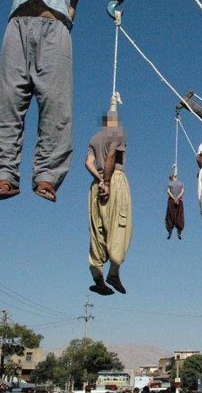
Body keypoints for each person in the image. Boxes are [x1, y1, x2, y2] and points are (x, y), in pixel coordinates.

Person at [0, 0, 89, 202]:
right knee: (5, 101)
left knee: (56, 104)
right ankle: (3, 175)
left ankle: (47, 176)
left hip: (56, 28)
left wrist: (66, 17)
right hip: (17, 27)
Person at [85, 105, 132, 296]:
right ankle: (113, 273)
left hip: (95, 185)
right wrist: (106, 182)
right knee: (119, 227)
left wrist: (98, 179)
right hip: (114, 180)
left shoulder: (94, 138)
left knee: (97, 230)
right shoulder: (117, 133)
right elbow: (111, 155)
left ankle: (98, 278)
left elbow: (88, 162)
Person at [165, 173, 185, 239]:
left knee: (170, 215)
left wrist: (174, 198)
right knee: (179, 215)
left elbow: (168, 192)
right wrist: (177, 198)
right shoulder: (180, 183)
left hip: (172, 201)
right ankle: (178, 231)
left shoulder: (170, 183)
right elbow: (182, 192)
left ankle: (171, 230)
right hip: (178, 200)